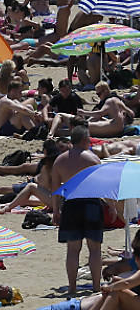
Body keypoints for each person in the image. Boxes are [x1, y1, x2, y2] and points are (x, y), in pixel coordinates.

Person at [53, 125, 102, 295]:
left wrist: (55, 210)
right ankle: (96, 286)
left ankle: (72, 288)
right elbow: (101, 185)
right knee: (95, 249)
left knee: (73, 250)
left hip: (71, 204)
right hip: (91, 203)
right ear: (83, 140)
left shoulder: (60, 161)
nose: (89, 141)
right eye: (88, 139)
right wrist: (111, 206)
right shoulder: (93, 159)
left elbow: (56, 188)